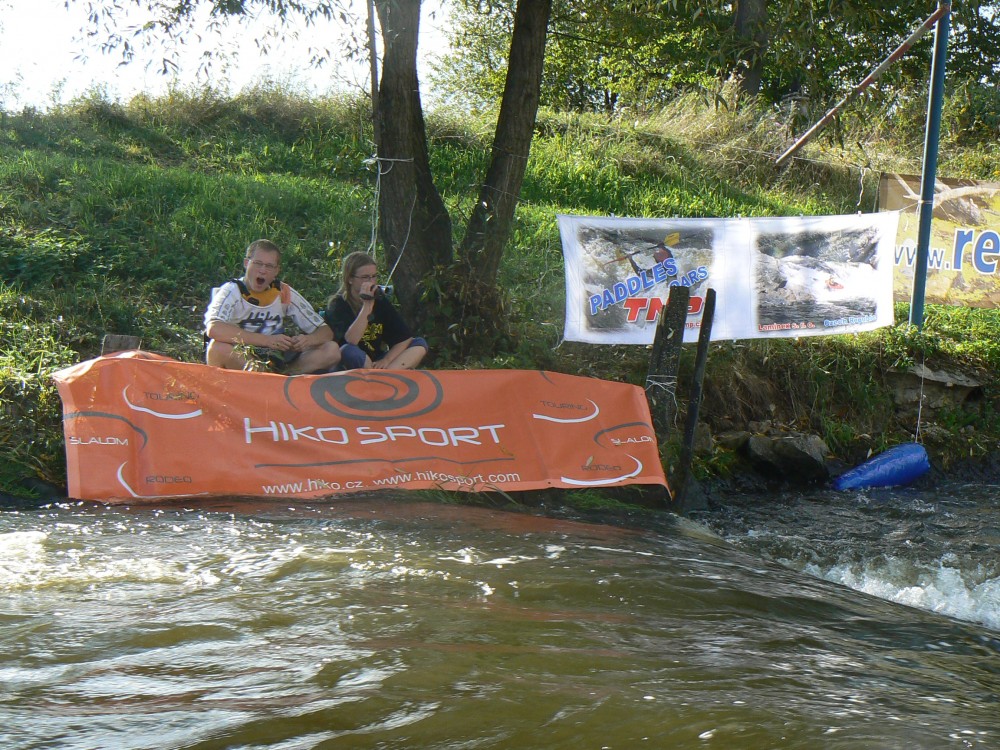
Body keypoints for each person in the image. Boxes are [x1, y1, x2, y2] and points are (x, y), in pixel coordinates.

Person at [204, 239, 341, 374]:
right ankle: (267, 378)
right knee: (217, 348)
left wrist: (307, 340)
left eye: (269, 266)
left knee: (331, 350)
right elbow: (214, 329)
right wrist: (267, 341)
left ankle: (283, 378)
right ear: (246, 263)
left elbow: (325, 331)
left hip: (279, 358)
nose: (262, 271)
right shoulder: (231, 291)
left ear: (276, 271)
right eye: (258, 263)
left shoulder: (283, 292)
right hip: (244, 358)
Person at [325, 251, 428, 370]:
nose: (371, 281)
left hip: (376, 360)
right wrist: (367, 306)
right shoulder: (338, 304)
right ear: (350, 279)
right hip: (349, 363)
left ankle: (387, 375)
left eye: (374, 276)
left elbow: (404, 338)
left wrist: (387, 359)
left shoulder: (380, 301)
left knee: (418, 343)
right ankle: (379, 375)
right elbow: (351, 340)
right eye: (365, 277)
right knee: (349, 351)